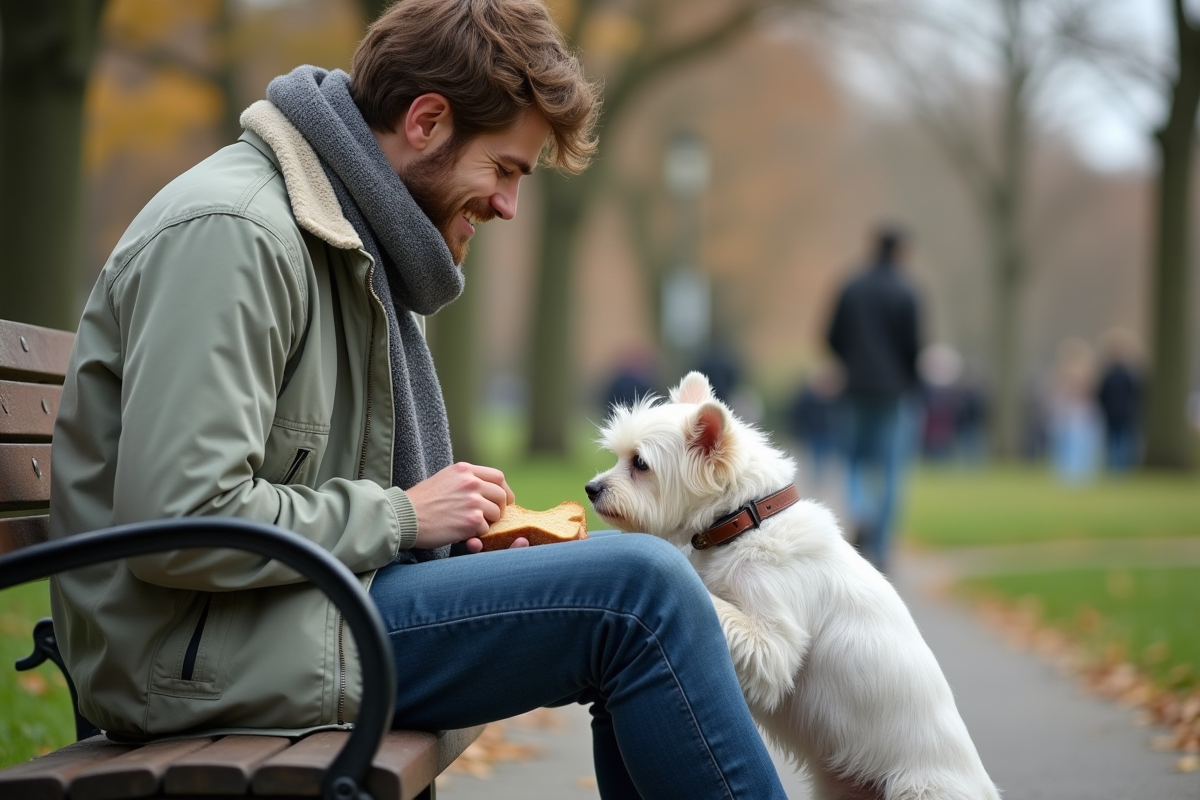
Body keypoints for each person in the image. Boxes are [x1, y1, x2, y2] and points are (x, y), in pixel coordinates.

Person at [47, 2, 788, 797]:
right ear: (428, 121)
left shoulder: (351, 237)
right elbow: (178, 522)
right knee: (640, 592)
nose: (508, 205)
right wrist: (403, 518)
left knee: (623, 593)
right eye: (504, 169)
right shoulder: (237, 235)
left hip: (283, 611)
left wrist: (443, 540)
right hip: (189, 656)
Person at [826, 225, 922, 572]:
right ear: (900, 251)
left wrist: (850, 363)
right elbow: (914, 347)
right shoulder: (906, 291)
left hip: (854, 390)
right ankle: (882, 546)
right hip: (894, 392)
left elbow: (831, 336)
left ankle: (861, 509)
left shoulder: (851, 287)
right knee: (891, 470)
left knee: (853, 460)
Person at [1094, 328, 1142, 473]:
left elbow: (1137, 395)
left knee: (1124, 442)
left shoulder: (1130, 374)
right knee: (1113, 442)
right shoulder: (1108, 373)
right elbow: (1101, 394)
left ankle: (1122, 469)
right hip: (1111, 414)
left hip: (1125, 414)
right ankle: (1114, 469)